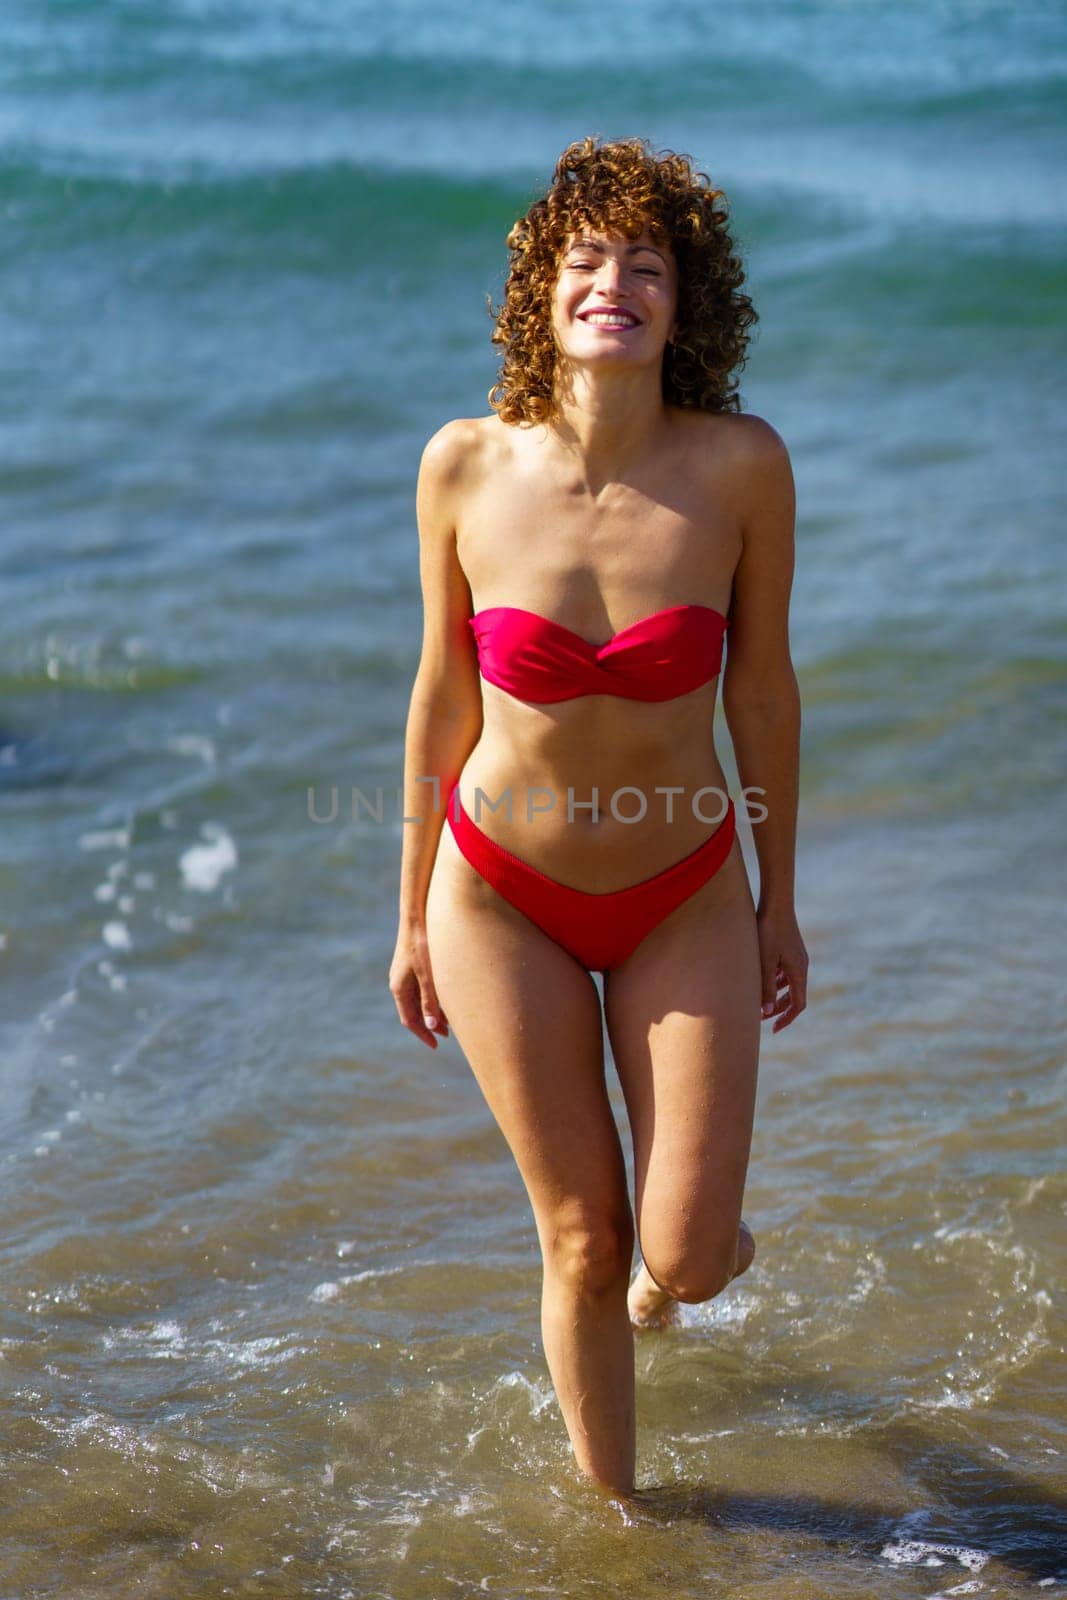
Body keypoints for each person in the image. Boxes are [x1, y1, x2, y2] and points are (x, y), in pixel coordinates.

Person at [389, 134, 808, 1500]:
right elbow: (441, 697)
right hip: (500, 895)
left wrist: (777, 898)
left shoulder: (741, 468)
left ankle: (692, 1269)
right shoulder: (463, 465)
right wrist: (409, 918)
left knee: (678, 1251)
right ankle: (620, 1527)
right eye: (584, 259)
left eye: (646, 264)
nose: (611, 282)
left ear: (688, 305)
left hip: (684, 892)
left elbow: (765, 698)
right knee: (581, 1233)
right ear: (542, 290)